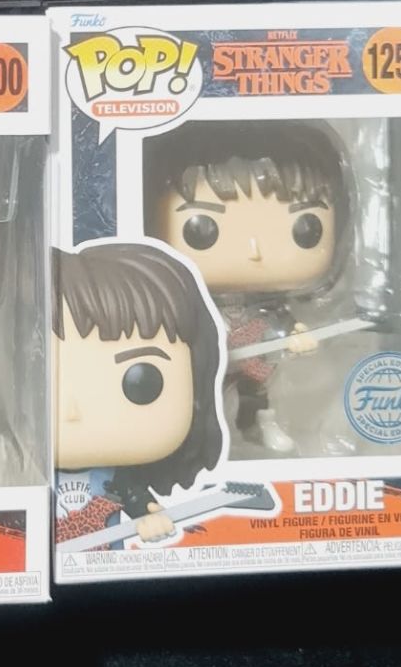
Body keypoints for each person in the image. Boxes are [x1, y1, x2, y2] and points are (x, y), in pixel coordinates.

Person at [147, 121, 350, 454]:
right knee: (199, 393)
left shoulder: (271, 306)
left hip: (254, 354)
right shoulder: (187, 300)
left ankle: (257, 423)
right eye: (201, 229)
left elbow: (283, 321)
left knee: (256, 389)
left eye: (305, 227)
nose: (254, 250)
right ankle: (196, 431)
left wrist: (297, 333)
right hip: (208, 358)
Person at [53, 242, 224, 548]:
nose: (72, 411)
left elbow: (136, 498)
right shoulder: (32, 476)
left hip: (104, 561)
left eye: (141, 383)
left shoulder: (116, 476)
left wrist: (151, 518)